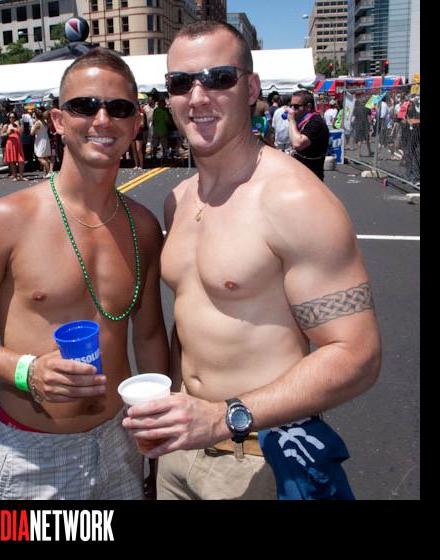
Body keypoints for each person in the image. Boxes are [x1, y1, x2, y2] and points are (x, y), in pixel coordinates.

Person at [122, 20, 381, 500]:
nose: (198, 96)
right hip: (181, 449)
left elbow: (357, 356)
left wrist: (224, 417)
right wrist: (167, 440)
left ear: (252, 88)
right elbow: (191, 323)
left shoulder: (294, 200)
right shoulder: (179, 199)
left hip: (257, 455)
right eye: (181, 82)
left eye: (218, 78)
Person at [0, 48, 169, 500]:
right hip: (33, 458)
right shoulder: (9, 218)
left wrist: (159, 445)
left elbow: (150, 335)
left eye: (119, 108)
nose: (102, 119)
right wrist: (26, 371)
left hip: (122, 444)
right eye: (84, 106)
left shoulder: (142, 226)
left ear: (137, 122)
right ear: (58, 120)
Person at [285, 89, 330, 181]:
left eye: (296, 106)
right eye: (291, 106)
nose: (292, 109)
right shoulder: (301, 122)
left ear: (308, 107)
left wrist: (291, 120)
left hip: (312, 177)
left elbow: (298, 144)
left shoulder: (315, 122)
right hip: (301, 174)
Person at [1, 112, 28, 181]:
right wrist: (8, 133)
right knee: (12, 161)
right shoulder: (7, 125)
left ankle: (21, 176)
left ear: (15, 118)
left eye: (13, 117)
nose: (11, 118)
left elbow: (21, 133)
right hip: (10, 144)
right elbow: (1, 135)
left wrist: (18, 125)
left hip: (18, 143)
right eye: (10, 117)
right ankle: (14, 176)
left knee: (21, 160)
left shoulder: (18, 124)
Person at [31, 108, 54, 178]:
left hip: (40, 141)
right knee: (45, 157)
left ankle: (49, 172)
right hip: (46, 139)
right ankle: (47, 173)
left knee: (40, 158)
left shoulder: (37, 123)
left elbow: (32, 133)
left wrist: (32, 126)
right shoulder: (44, 122)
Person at [151, 98, 171, 162]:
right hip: (163, 130)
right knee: (164, 144)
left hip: (156, 130)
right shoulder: (164, 111)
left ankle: (154, 156)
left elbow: (153, 121)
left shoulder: (155, 111)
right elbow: (168, 120)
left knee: (155, 144)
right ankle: (164, 156)